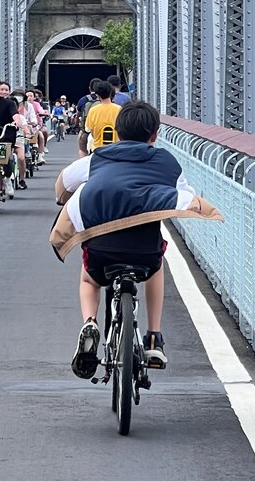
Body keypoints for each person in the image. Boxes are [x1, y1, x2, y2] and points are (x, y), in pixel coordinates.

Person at [50, 100, 218, 377]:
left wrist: (64, 199)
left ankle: (90, 322)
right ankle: (154, 337)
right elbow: (185, 195)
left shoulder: (97, 159)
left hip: (101, 249)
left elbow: (64, 183)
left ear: (117, 131)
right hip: (144, 251)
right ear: (155, 134)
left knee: (89, 278)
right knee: (156, 267)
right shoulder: (167, 161)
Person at [83, 79, 120, 151]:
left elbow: (88, 130)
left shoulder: (93, 110)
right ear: (110, 93)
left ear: (98, 95)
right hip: (115, 148)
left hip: (97, 149)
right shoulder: (119, 109)